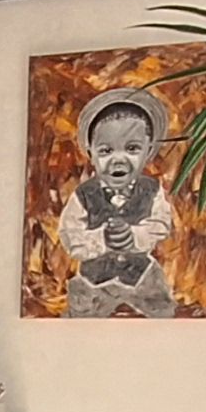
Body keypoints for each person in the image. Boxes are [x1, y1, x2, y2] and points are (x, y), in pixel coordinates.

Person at [51, 86, 179, 318]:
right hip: (94, 282)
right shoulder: (83, 195)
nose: (118, 160)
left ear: (149, 150)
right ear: (91, 154)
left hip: (141, 277)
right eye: (106, 150)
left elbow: (160, 225)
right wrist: (102, 239)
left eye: (132, 149)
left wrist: (134, 236)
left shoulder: (152, 190)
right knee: (80, 313)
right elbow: (71, 235)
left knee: (162, 309)